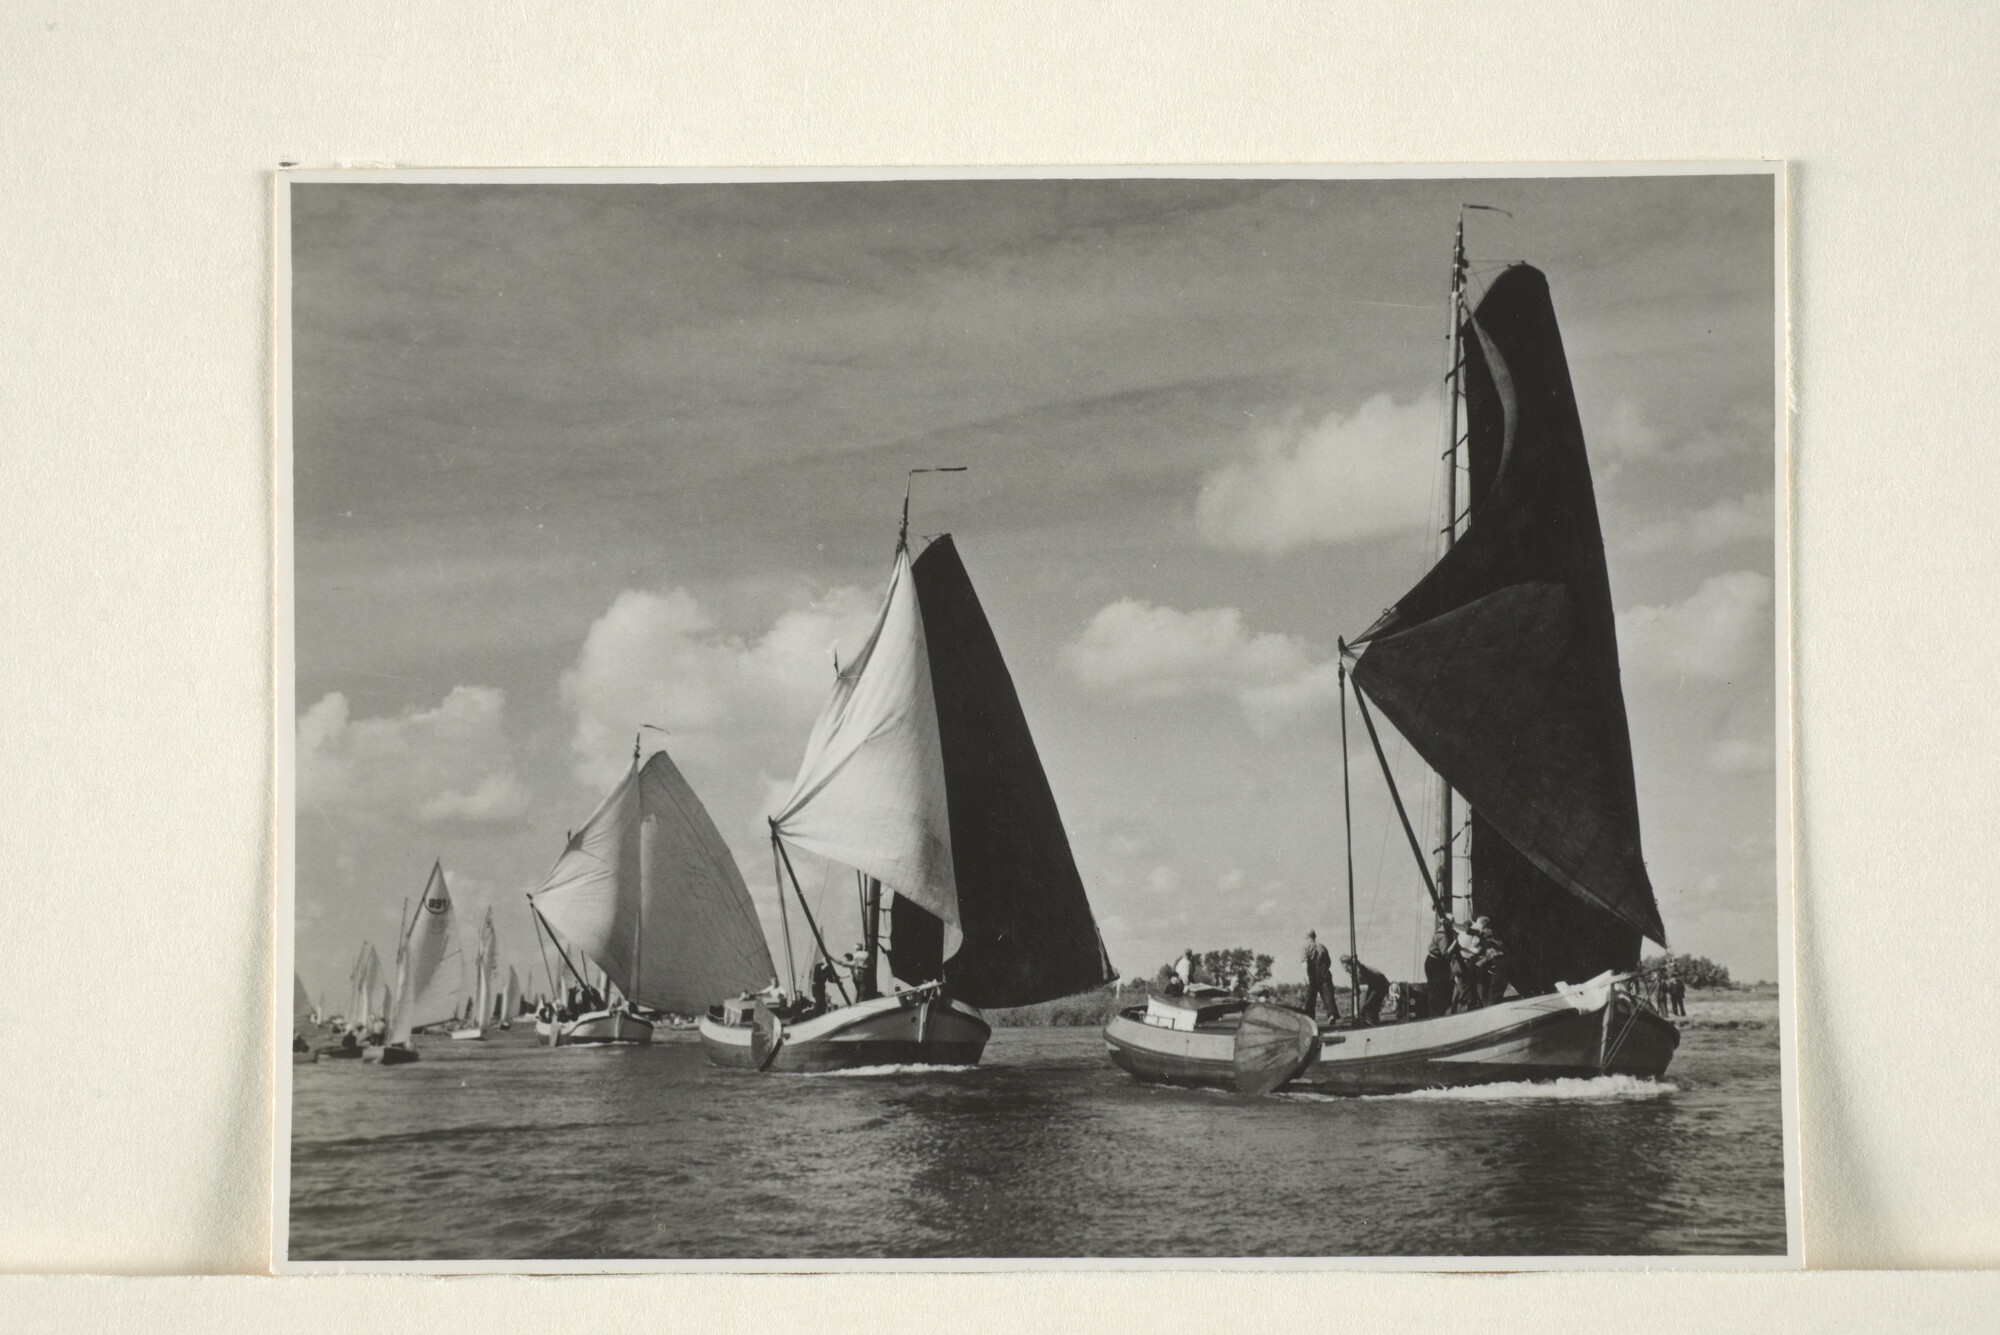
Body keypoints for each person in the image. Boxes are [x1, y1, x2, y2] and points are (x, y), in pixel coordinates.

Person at [1462, 917, 1511, 1007]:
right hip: (1498, 961)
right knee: (1494, 987)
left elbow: (1468, 930)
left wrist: (1450, 924)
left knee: (1494, 989)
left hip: (1500, 961)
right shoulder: (1485, 938)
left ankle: (1493, 1009)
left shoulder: (1486, 931)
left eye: (1478, 924)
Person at [1301, 930, 1339, 1022]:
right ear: (1315, 936)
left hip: (1312, 972)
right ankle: (1331, 1015)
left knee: (1311, 997)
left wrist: (1306, 975)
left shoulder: (1305, 946)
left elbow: (1305, 962)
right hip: (1324, 971)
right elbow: (1329, 962)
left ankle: (1309, 1019)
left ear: (1306, 937)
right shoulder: (1323, 947)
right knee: (1328, 995)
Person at [1341, 954, 1389, 1025]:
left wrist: (1356, 962)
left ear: (1352, 965)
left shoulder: (1360, 970)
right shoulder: (1353, 975)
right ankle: (1370, 1021)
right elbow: (1357, 992)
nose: (1347, 971)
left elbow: (1361, 968)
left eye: (1348, 969)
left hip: (1381, 984)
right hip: (1373, 985)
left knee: (1367, 1005)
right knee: (1365, 1006)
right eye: (1345, 970)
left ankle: (1371, 1022)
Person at [1424, 917, 1458, 1018]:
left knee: (1435, 988)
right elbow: (1445, 953)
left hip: (1433, 961)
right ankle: (1437, 1013)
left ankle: (1435, 1013)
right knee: (1437, 989)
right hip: (1436, 964)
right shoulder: (1443, 935)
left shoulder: (1440, 931)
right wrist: (1456, 943)